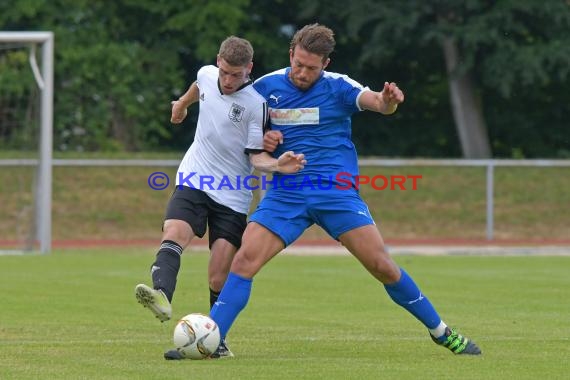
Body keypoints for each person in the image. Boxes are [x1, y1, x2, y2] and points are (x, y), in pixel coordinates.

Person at [208, 24, 482, 357]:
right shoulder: (264, 88)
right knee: (244, 260)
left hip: (336, 194)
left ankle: (441, 332)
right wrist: (269, 147)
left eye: (312, 67)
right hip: (286, 195)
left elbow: (377, 103)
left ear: (325, 63)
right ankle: (209, 340)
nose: (303, 72)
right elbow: (254, 146)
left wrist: (387, 101)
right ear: (290, 54)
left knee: (382, 266)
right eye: (299, 64)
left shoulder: (339, 86)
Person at [134, 36, 306, 359]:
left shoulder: (256, 105)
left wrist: (278, 165)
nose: (227, 81)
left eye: (235, 75)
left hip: (233, 194)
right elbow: (197, 89)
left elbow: (256, 159)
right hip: (195, 177)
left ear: (249, 69)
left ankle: (217, 341)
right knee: (174, 234)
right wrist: (181, 105)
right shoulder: (206, 75)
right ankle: (161, 295)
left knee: (218, 273)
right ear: (217, 63)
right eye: (224, 72)